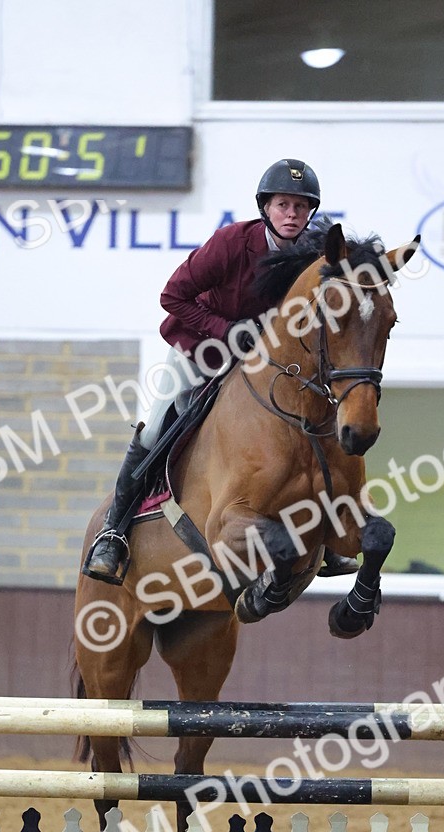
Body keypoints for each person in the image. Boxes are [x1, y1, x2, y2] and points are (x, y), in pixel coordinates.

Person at [82, 158, 358, 584]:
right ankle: (113, 532)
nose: (291, 215)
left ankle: (327, 534)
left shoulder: (313, 256)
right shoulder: (231, 243)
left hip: (267, 363)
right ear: (265, 207)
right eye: (283, 205)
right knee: (157, 428)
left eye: (301, 208)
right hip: (203, 348)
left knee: (308, 422)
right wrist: (227, 331)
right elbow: (172, 296)